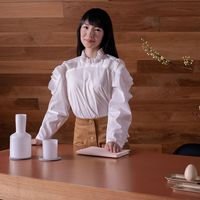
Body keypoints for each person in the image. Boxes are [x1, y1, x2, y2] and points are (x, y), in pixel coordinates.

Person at [32, 8, 133, 153]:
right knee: (81, 175)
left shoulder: (114, 67)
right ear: (80, 29)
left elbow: (119, 106)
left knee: (113, 175)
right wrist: (41, 137)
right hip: (80, 138)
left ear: (105, 34)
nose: (89, 34)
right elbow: (58, 108)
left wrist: (114, 138)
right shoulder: (67, 68)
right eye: (86, 27)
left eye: (97, 29)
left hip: (110, 139)